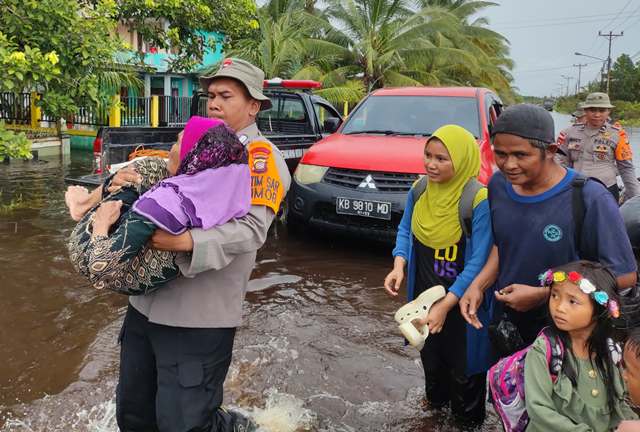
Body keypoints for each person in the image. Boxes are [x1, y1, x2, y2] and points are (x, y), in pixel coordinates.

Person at [67, 58, 290, 431]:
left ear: (254, 105)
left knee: (185, 423)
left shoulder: (260, 160)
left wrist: (187, 241)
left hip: (198, 315)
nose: (214, 103)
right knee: (133, 412)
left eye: (225, 96)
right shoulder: (193, 143)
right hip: (146, 305)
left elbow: (252, 230)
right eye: (210, 96)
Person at [459, 104, 637, 351]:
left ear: (551, 151)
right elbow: (504, 246)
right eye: (500, 154)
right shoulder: (498, 185)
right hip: (508, 325)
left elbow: (625, 275)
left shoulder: (588, 198)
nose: (509, 164)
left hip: (567, 335)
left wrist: (544, 294)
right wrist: (478, 285)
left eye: (521, 155)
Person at [384, 125, 494, 426]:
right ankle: (432, 413)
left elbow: (478, 261)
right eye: (428, 156)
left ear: (462, 160)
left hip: (462, 302)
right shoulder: (420, 189)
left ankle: (467, 421)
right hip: (424, 293)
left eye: (442, 159)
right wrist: (398, 264)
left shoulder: (478, 200)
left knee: (465, 368)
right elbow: (406, 229)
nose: (431, 164)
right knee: (431, 359)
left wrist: (447, 304)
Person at [67, 118, 251, 295]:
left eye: (178, 143)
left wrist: (102, 223)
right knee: (148, 168)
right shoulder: (227, 194)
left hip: (97, 261)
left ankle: (83, 205)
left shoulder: (161, 203)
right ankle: (84, 203)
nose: (170, 149)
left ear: (193, 156)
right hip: (165, 273)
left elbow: (99, 268)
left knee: (146, 169)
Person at [524, 261, 637, 431]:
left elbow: (619, 404)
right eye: (555, 295)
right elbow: (538, 409)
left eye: (572, 301)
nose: (559, 307)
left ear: (599, 308)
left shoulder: (611, 350)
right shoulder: (544, 349)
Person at [557, 92, 640, 203]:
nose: (597, 115)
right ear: (585, 111)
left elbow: (626, 168)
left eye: (601, 110)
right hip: (575, 189)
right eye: (592, 110)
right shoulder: (570, 133)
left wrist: (635, 198)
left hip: (606, 190)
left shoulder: (618, 135)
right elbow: (560, 162)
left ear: (608, 112)